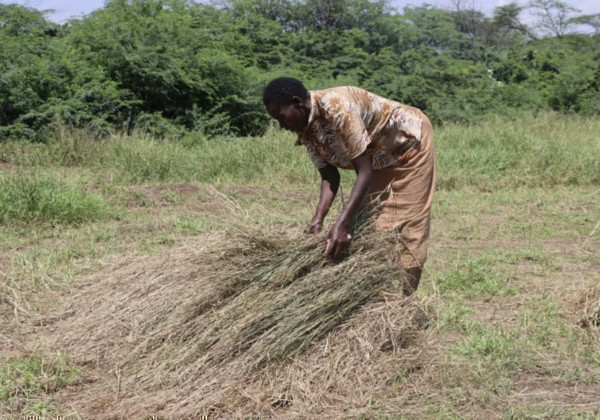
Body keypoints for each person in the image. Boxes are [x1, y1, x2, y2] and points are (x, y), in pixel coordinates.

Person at [263, 77, 435, 295]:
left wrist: (341, 222)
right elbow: (329, 176)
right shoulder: (306, 127)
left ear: (297, 102)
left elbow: (364, 171)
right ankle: (377, 296)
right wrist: (318, 220)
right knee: (370, 225)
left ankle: (406, 303)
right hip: (379, 158)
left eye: (281, 117)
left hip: (408, 146)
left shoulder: (337, 108)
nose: (281, 125)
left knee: (409, 226)